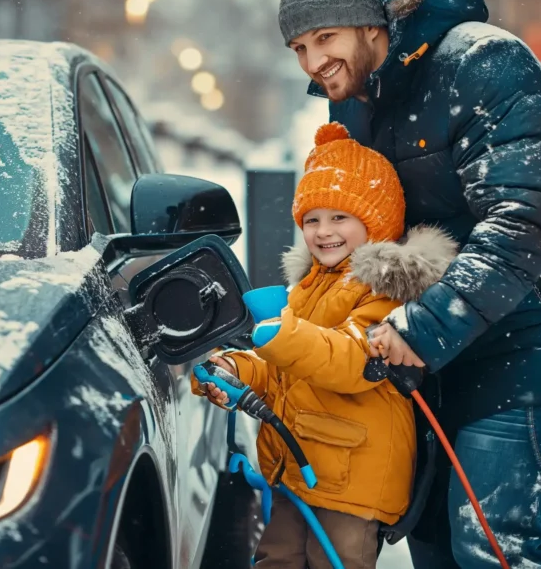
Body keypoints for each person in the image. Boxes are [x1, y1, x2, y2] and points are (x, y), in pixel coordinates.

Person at [277, 0, 541, 568]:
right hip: (436, 348)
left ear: (370, 23)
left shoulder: (483, 62)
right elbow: (365, 222)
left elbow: (523, 219)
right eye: (299, 46)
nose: (312, 61)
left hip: (534, 330)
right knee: (433, 544)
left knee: (489, 545)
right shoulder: (353, 103)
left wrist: (427, 325)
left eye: (324, 38)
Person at [193, 121, 457, 569]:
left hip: (353, 481)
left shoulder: (385, 290)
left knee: (335, 561)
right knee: (275, 559)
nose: (322, 231)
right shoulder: (309, 286)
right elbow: (284, 369)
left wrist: (282, 334)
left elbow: (351, 360)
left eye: (340, 217)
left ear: (375, 221)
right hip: (299, 471)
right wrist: (238, 368)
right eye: (311, 219)